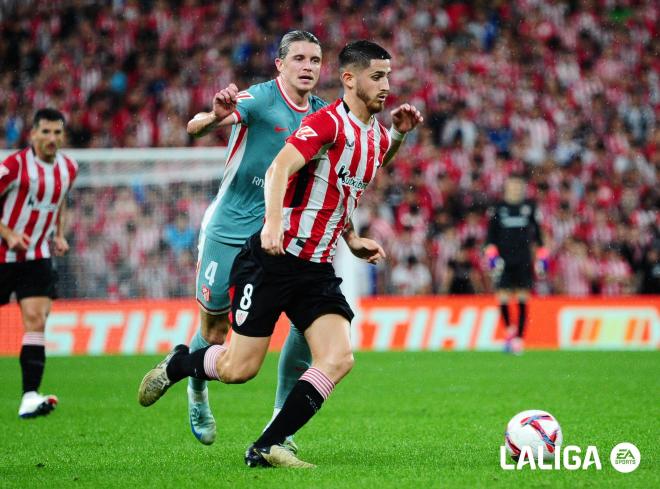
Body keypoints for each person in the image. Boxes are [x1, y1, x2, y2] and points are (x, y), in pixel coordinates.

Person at [138, 40, 423, 468]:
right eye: (377, 77)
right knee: (238, 368)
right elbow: (278, 168)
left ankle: (268, 444)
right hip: (273, 259)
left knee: (339, 358)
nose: (387, 85)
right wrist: (272, 222)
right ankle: (181, 365)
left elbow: (364, 166)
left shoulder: (372, 136)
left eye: (388, 76)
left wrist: (353, 234)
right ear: (349, 79)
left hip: (316, 268)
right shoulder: (324, 123)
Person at [182, 30, 368, 449]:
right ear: (280, 65)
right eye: (299, 59)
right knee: (213, 330)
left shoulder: (325, 114)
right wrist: (214, 115)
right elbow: (195, 128)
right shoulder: (261, 99)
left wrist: (351, 236)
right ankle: (196, 388)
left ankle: (280, 425)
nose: (308, 67)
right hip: (231, 229)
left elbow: (336, 186)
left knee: (306, 324)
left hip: (286, 235)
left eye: (315, 60)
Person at [0, 108, 78, 418]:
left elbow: (60, 201)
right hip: (3, 255)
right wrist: (7, 232)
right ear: (32, 134)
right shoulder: (13, 166)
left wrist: (58, 234)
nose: (51, 138)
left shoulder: (69, 169)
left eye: (57, 132)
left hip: (36, 257)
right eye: (45, 132)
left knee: (35, 319)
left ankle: (30, 396)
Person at [485, 174, 545, 355]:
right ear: (507, 188)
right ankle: (510, 332)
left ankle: (518, 339)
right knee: (502, 297)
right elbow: (490, 239)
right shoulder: (497, 208)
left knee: (522, 298)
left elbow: (539, 237)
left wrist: (542, 260)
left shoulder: (530, 207)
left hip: (524, 260)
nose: (516, 190)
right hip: (504, 261)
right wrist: (493, 261)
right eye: (512, 186)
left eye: (519, 187)